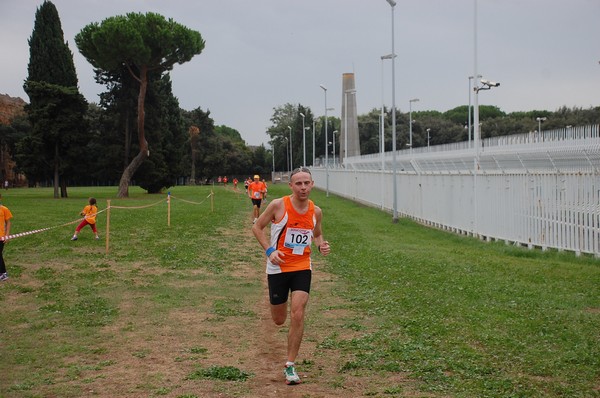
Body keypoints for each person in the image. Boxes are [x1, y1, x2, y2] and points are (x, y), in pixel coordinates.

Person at [251, 167, 331, 385]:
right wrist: (270, 250)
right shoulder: (279, 205)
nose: (303, 187)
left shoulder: (316, 211)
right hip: (278, 267)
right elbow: (257, 227)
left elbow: (317, 233)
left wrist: (321, 244)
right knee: (279, 320)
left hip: (302, 266)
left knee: (298, 313)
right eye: (298, 183)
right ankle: (279, 309)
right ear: (291, 186)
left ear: (312, 184)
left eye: (307, 183)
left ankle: (290, 365)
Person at [0, 193, 13, 281]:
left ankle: (3, 273)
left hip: (1, 237)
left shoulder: (4, 209)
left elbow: (8, 222)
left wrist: (7, 235)